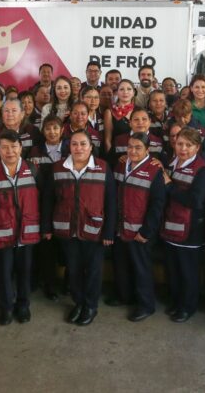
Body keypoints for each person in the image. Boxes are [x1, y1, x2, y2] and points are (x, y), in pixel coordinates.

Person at [43, 129, 116, 326]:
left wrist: (109, 231)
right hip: (66, 230)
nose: (79, 148)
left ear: (91, 147)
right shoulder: (58, 168)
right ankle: (79, 302)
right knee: (73, 270)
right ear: (69, 147)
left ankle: (91, 306)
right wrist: (47, 227)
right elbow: (49, 200)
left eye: (83, 144)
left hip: (95, 230)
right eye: (74, 144)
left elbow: (111, 202)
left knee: (93, 271)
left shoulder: (103, 167)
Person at [0, 130, 43, 325]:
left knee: (25, 271)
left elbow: (43, 200)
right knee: (4, 273)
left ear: (21, 148)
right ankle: (6, 307)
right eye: (5, 147)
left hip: (27, 232)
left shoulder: (33, 170)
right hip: (1, 232)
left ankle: (23, 306)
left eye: (14, 147)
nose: (10, 151)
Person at [159, 128, 205, 322]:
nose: (183, 148)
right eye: (180, 144)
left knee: (188, 271)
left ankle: (187, 307)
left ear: (197, 147)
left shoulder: (202, 170)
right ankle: (176, 302)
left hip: (191, 230)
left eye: (188, 145)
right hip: (170, 224)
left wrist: (169, 186)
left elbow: (195, 200)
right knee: (173, 269)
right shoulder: (172, 163)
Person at [112, 132, 166, 322]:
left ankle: (146, 305)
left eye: (138, 148)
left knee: (141, 269)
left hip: (140, 232)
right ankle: (124, 296)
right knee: (121, 265)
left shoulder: (154, 171)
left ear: (147, 150)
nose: (133, 151)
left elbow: (158, 204)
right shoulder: (120, 165)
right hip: (120, 228)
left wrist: (146, 231)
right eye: (130, 147)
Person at [28, 115, 64, 301]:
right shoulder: (35, 150)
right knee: (43, 245)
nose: (52, 132)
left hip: (63, 202)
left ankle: (58, 284)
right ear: (43, 131)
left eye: (55, 128)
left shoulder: (70, 149)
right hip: (40, 202)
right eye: (48, 128)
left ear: (62, 130)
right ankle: (43, 282)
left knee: (60, 246)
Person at [0, 98, 38, 163]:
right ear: (2, 114)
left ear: (22, 114)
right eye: (6, 111)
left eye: (14, 110)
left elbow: (34, 157)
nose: (10, 114)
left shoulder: (32, 131)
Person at [103, 79, 137, 154]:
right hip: (117, 154)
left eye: (129, 89)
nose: (125, 92)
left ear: (133, 92)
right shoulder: (110, 111)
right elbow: (107, 140)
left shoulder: (139, 111)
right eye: (121, 89)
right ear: (117, 92)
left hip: (136, 153)